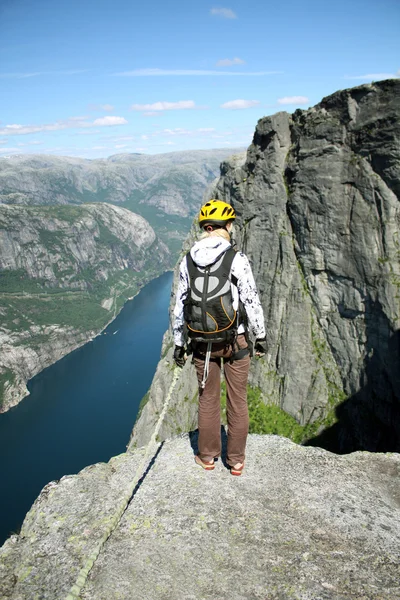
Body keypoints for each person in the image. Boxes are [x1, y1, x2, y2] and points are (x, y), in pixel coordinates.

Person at [172, 199, 266, 476]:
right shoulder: (236, 258)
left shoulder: (187, 260)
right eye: (229, 225)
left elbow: (180, 306)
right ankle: (235, 461)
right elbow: (251, 299)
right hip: (235, 341)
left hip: (202, 343)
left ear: (205, 228)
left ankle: (207, 457)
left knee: (208, 399)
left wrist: (179, 344)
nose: (231, 229)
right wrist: (259, 336)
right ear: (223, 227)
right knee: (238, 401)